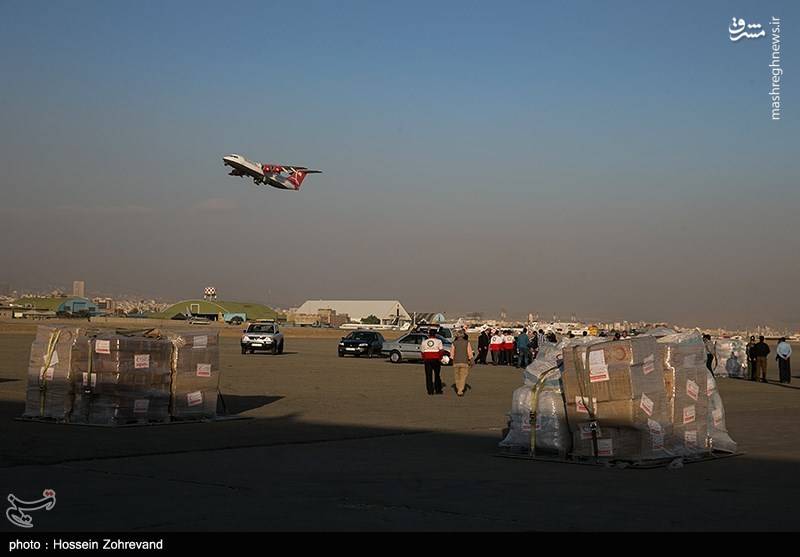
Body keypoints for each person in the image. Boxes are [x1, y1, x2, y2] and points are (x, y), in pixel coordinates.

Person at [421, 330, 445, 395]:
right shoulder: (439, 341)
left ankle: (430, 391)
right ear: (435, 335)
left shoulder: (424, 342)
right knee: (437, 375)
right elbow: (441, 351)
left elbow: (422, 352)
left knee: (428, 376)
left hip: (427, 360)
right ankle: (438, 390)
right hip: (436, 360)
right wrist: (440, 358)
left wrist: (424, 359)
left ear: (429, 335)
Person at [451, 329, 474, 396]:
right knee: (463, 377)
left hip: (456, 362)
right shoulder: (467, 342)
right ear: (463, 335)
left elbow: (452, 353)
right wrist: (471, 360)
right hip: (464, 362)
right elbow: (469, 352)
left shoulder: (454, 343)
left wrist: (452, 360)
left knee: (457, 377)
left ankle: (459, 388)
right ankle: (460, 390)